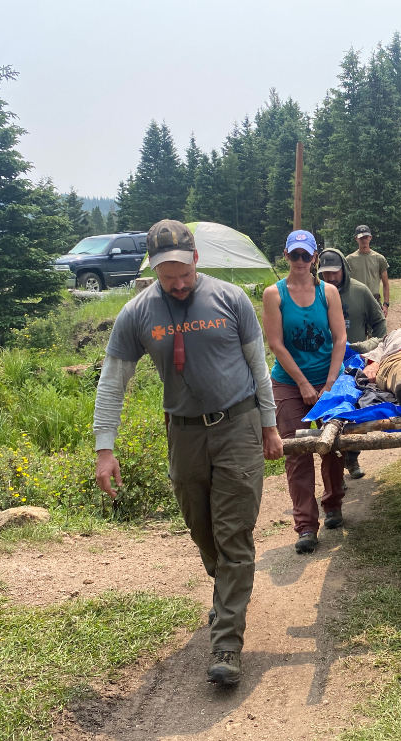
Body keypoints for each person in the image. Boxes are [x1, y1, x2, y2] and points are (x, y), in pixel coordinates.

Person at [93, 219, 283, 687]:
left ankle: (227, 643)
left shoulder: (231, 299)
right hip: (183, 434)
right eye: (166, 275)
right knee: (203, 531)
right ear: (153, 270)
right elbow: (113, 382)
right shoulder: (137, 313)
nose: (176, 283)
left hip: (237, 426)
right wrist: (104, 447)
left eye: (182, 272)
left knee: (233, 532)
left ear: (197, 259)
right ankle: (228, 596)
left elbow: (260, 368)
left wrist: (269, 425)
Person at [263, 231, 348, 555]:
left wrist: (327, 385)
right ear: (286, 256)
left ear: (315, 257)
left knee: (335, 445)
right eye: (295, 255)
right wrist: (301, 383)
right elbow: (276, 343)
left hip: (328, 378)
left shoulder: (328, 292)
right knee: (297, 452)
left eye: (306, 256)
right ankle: (306, 525)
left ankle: (333, 505)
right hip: (288, 381)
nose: (300, 261)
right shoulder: (275, 294)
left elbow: (340, 339)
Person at [318, 248, 387, 480]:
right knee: (329, 413)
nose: (330, 277)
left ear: (344, 270)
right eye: (325, 273)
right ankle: (334, 469)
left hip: (353, 359)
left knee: (353, 409)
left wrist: (371, 345)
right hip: (324, 361)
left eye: (334, 272)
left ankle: (352, 457)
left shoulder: (359, 291)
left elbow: (380, 324)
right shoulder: (315, 295)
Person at [346, 225, 391, 316]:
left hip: (374, 300)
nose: (364, 240)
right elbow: (345, 284)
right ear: (356, 239)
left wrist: (386, 305)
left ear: (370, 238)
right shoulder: (349, 260)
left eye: (366, 237)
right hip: (356, 300)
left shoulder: (379, 258)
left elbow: (386, 284)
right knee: (357, 329)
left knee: (377, 329)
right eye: (361, 237)